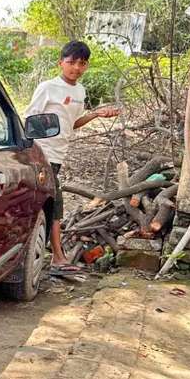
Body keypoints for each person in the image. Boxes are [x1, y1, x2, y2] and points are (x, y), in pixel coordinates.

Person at [25, 40, 119, 273]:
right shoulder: (48, 87)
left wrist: (96, 114)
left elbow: (72, 123)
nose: (76, 67)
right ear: (61, 62)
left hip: (58, 155)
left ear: (86, 66)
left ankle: (47, 255)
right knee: (55, 204)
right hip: (41, 153)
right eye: (71, 62)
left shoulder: (80, 91)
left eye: (82, 63)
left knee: (50, 204)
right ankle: (57, 257)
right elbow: (29, 119)